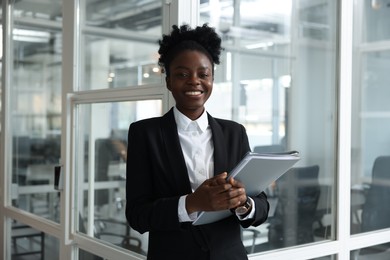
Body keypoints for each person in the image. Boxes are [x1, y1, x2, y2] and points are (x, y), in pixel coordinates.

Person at [125, 23, 269, 260]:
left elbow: (262, 205)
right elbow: (137, 215)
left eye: (203, 74)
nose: (194, 81)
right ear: (168, 81)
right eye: (182, 74)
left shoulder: (235, 133)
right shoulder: (144, 134)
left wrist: (244, 203)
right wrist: (191, 203)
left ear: (212, 79)